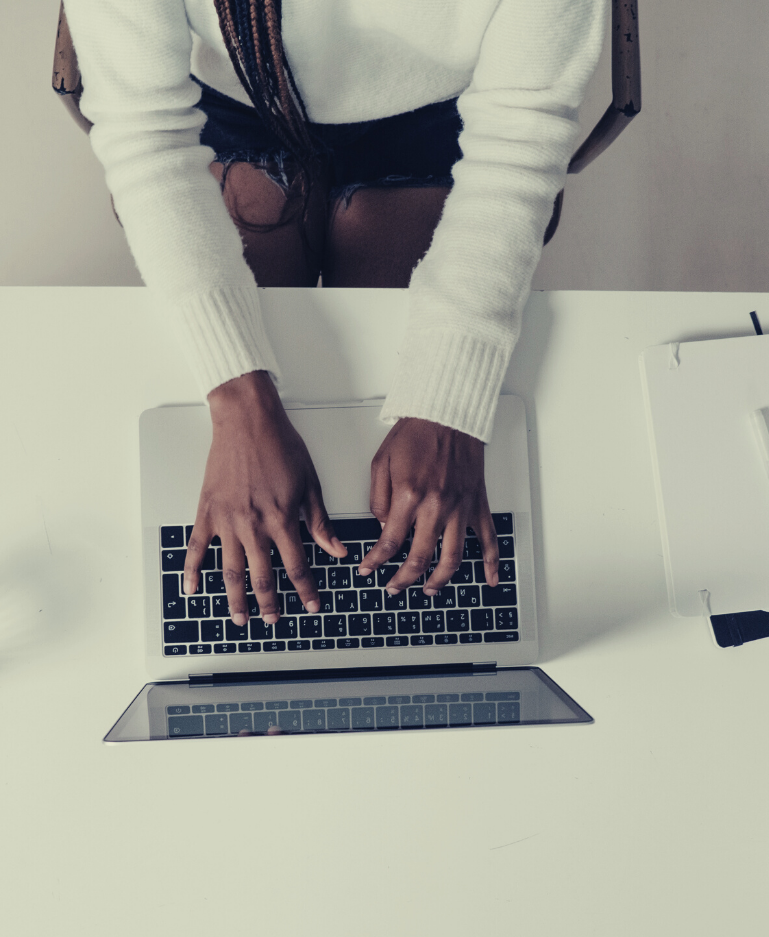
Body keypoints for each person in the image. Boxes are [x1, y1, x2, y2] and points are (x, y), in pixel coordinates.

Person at [62, 0, 606, 632]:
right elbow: (145, 131)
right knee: (250, 468)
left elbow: (521, 133)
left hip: (439, 110)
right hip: (238, 96)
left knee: (390, 463)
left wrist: (447, 406)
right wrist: (238, 399)